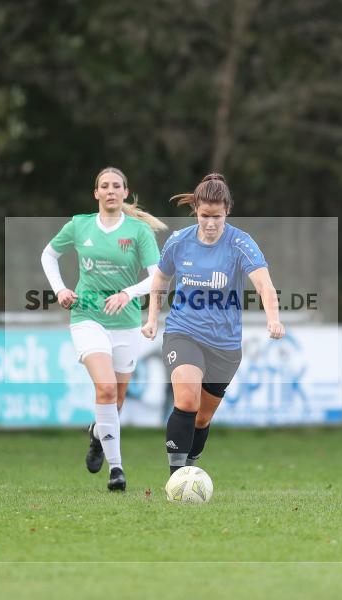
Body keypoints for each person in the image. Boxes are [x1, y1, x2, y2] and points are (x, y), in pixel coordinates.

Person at [142, 173, 285, 476]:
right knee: (187, 399)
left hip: (224, 344)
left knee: (202, 418)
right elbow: (160, 279)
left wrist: (273, 318)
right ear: (195, 209)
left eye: (216, 217)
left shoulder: (241, 243)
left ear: (227, 212)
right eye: (204, 215)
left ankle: (189, 471)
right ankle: (176, 478)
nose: (210, 223)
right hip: (183, 332)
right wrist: (152, 318)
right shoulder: (179, 242)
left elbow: (264, 285)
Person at [41, 167, 166, 491]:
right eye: (105, 186)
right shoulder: (79, 225)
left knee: (117, 401)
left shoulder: (138, 232)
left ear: (125, 192)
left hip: (126, 322)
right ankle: (117, 470)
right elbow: (49, 255)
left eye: (116, 186)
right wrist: (60, 290)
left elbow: (157, 276)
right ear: (96, 193)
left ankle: (98, 433)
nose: (111, 191)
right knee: (107, 389)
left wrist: (127, 294)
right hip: (87, 317)